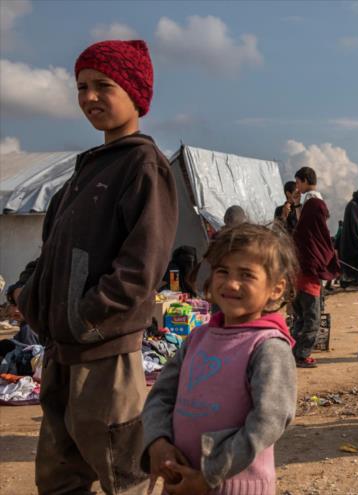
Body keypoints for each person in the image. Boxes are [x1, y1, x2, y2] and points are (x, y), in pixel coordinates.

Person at [11, 40, 179, 493]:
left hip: (105, 356)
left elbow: (140, 269)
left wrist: (82, 317)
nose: (88, 97)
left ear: (135, 92)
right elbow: (49, 255)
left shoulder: (143, 165)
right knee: (58, 477)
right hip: (61, 355)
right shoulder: (81, 174)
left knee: (125, 478)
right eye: (81, 87)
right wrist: (23, 295)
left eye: (103, 85)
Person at [141, 223, 297, 495]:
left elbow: (268, 420)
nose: (231, 283)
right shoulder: (198, 338)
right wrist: (158, 442)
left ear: (276, 288)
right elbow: (161, 396)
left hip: (234, 486)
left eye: (246, 275)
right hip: (180, 480)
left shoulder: (268, 346)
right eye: (222, 271)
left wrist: (211, 474)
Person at [291, 167, 339, 368]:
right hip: (309, 276)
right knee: (312, 318)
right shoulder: (315, 204)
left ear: (303, 180)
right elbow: (319, 236)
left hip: (299, 273)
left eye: (298, 183)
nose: (297, 187)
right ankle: (302, 355)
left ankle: (294, 352)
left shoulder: (310, 204)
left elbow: (308, 232)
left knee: (300, 318)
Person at [338, 189, 358, 288]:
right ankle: (355, 281)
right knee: (356, 260)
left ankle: (355, 280)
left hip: (350, 240)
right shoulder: (353, 206)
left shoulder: (353, 204)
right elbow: (355, 226)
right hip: (352, 240)